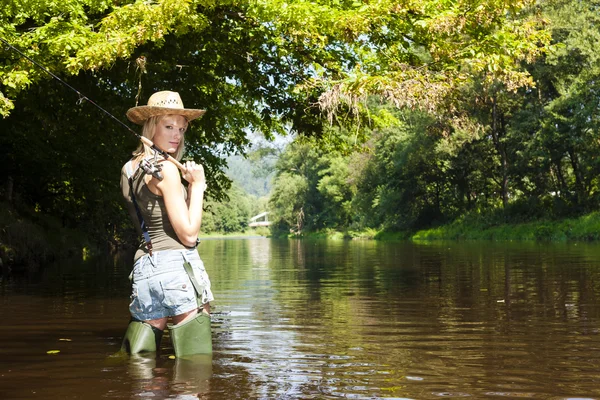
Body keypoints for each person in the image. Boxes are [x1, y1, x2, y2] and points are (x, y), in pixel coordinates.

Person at [119, 90, 214, 356]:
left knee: (139, 365)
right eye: (169, 126)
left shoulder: (129, 169)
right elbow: (188, 235)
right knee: (195, 367)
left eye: (181, 129)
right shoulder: (168, 169)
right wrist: (198, 186)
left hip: (145, 270)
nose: (177, 135)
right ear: (151, 126)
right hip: (177, 268)